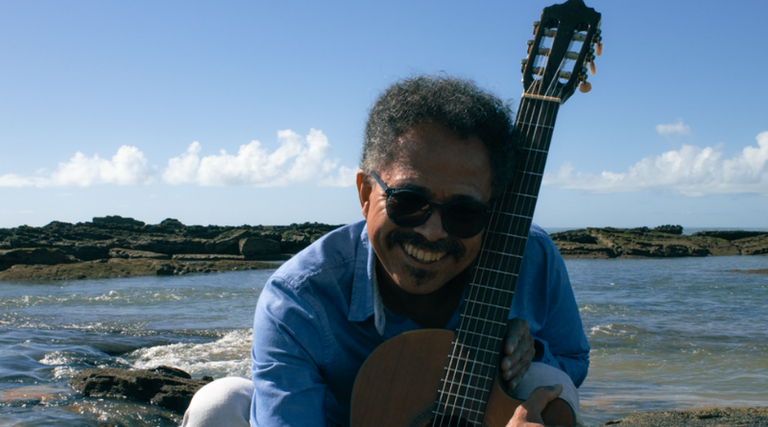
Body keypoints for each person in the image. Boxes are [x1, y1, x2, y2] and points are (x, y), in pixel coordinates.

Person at [181, 76, 590, 427]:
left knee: (546, 382)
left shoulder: (529, 254)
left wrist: (523, 354)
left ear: (492, 210)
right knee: (218, 404)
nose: (432, 231)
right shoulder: (300, 299)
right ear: (365, 193)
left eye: (464, 213)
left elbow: (572, 359)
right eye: (408, 201)